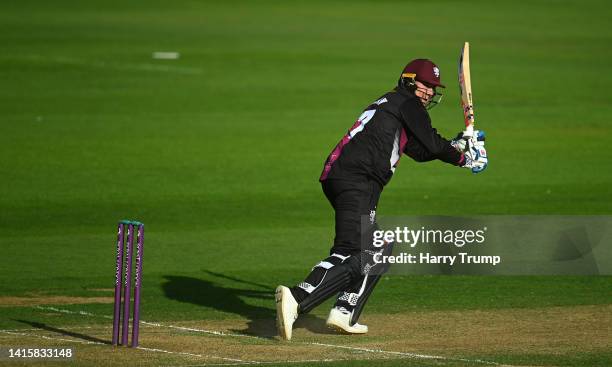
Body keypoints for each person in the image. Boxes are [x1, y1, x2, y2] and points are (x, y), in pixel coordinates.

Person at [275, 58, 488, 340]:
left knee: (373, 248)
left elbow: (423, 150)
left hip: (348, 177)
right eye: (426, 85)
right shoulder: (407, 104)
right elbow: (433, 142)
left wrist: (457, 144)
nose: (429, 92)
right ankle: (298, 298)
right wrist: (464, 158)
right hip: (357, 179)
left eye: (433, 88)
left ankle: (343, 312)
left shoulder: (393, 105)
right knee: (359, 250)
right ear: (410, 80)